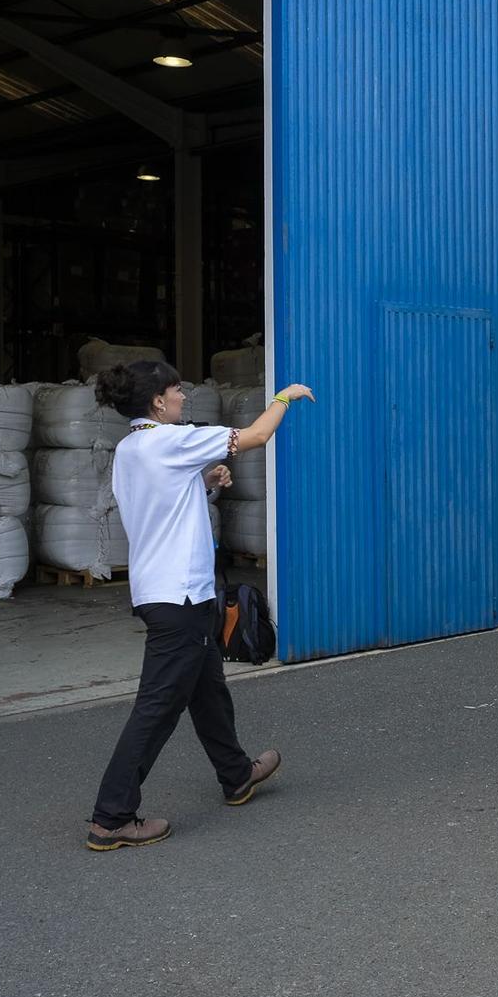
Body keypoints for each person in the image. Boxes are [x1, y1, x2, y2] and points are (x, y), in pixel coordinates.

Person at [84, 360, 316, 852]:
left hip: (170, 593)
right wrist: (284, 398)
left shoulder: (131, 448)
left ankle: (236, 775)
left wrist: (205, 479)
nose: (182, 397)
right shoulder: (169, 441)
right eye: (175, 390)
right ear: (156, 401)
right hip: (180, 597)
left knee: (208, 689)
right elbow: (253, 437)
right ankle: (112, 817)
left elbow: (162, 503)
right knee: (157, 708)